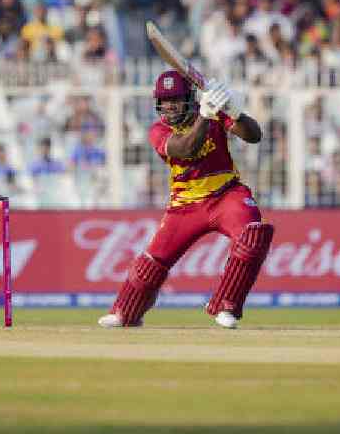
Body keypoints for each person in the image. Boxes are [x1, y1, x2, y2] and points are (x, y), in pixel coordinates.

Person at [98, 71, 272, 330]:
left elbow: (254, 135)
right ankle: (125, 312)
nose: (168, 107)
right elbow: (186, 149)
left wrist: (236, 112)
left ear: (189, 99)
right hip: (185, 204)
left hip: (226, 193)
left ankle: (226, 306)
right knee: (152, 262)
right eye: (164, 101)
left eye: (175, 100)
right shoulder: (158, 130)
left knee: (253, 235)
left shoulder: (213, 114)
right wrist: (206, 114)